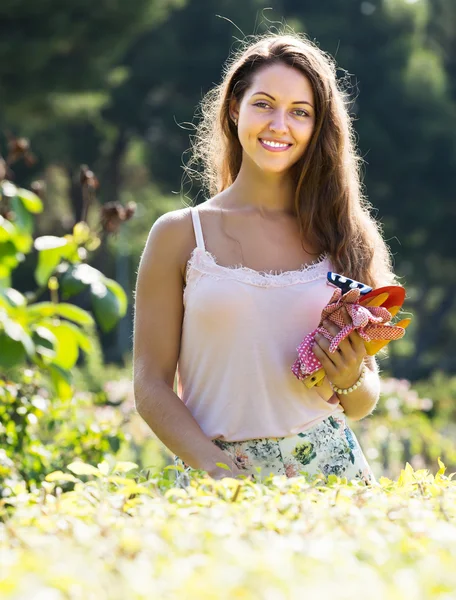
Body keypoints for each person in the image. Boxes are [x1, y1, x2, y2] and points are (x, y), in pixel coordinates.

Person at [133, 32, 398, 487]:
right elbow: (150, 387)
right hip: (215, 478)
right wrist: (218, 472)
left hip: (332, 477)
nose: (280, 124)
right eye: (264, 104)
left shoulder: (343, 236)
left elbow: (361, 400)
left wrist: (352, 375)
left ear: (317, 127)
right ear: (235, 108)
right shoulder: (179, 235)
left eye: (300, 112)